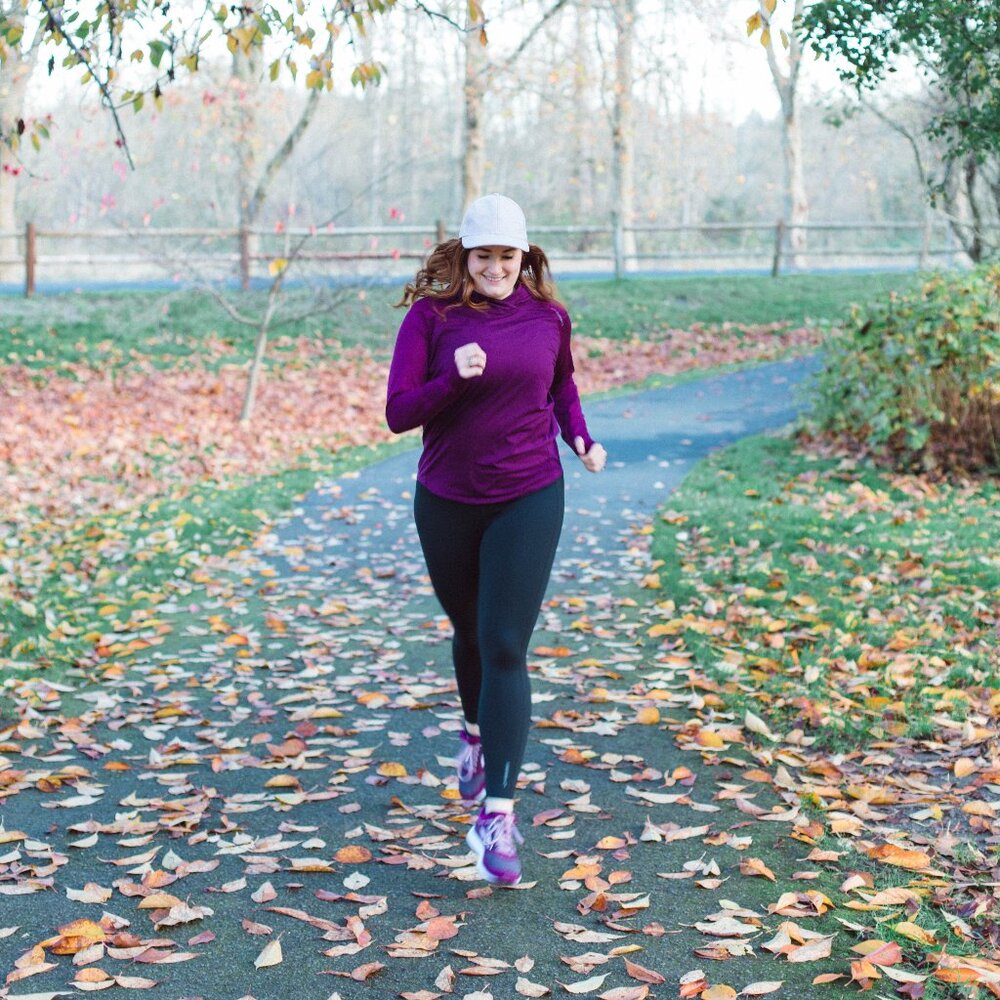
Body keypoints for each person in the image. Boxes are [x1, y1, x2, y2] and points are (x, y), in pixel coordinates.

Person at [385, 193, 606, 886]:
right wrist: (453, 377)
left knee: (506, 643)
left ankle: (498, 816)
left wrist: (580, 437)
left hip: (531, 493)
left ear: (525, 257)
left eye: (508, 257)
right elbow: (398, 412)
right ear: (464, 257)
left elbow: (562, 386)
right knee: (470, 632)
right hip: (448, 499)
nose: (496, 268)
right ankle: (475, 736)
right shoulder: (432, 318)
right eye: (483, 256)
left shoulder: (549, 318)